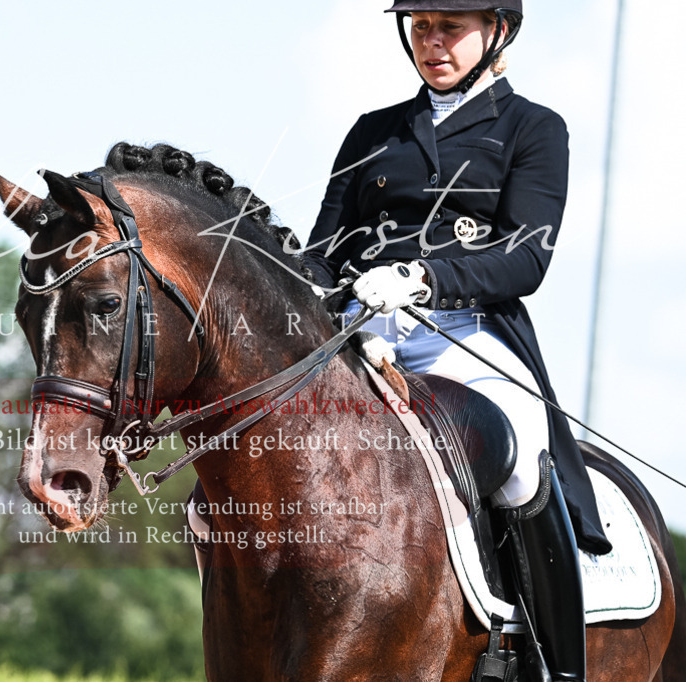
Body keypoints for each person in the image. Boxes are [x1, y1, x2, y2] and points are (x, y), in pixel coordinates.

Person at [303, 3, 607, 680]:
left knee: (524, 450)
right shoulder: (373, 132)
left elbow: (526, 259)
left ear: (496, 30)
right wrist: (312, 297)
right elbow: (321, 254)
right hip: (360, 329)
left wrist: (424, 276)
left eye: (450, 27)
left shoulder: (533, 127)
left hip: (464, 333)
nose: (431, 43)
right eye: (421, 27)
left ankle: (552, 664)